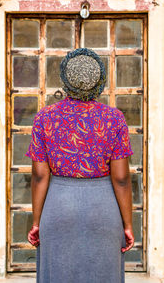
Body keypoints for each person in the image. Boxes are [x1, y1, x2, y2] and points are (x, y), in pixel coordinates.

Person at [25, 48, 134, 283]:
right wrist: (127, 225)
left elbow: (40, 176)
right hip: (103, 208)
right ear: (99, 82)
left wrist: (37, 222)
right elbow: (122, 178)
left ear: (65, 80)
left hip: (58, 205)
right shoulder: (114, 119)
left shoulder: (45, 118)